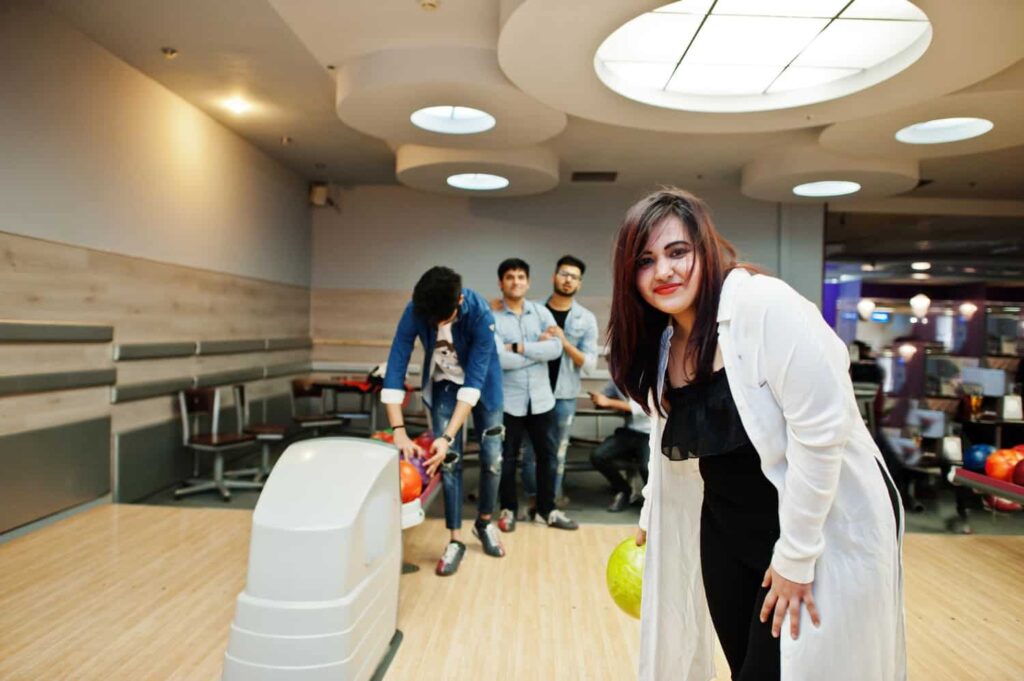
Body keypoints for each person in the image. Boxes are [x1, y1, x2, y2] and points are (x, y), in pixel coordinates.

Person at [607, 188, 905, 681]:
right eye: (646, 260)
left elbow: (821, 434)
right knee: (743, 666)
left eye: (677, 252)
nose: (664, 272)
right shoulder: (664, 342)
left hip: (810, 527)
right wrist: (650, 509)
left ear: (704, 249)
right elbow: (666, 440)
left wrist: (796, 556)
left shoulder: (763, 306)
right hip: (725, 529)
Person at [381, 266, 506, 577]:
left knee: (492, 460)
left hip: (484, 388)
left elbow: (474, 383)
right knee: (448, 461)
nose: (437, 325)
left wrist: (447, 435)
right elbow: (396, 364)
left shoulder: (480, 314)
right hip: (444, 385)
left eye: (444, 320)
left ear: (459, 300)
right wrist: (398, 431)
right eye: (431, 321)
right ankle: (454, 538)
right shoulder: (417, 309)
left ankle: (484, 522)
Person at [492, 258, 578, 531]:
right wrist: (534, 352)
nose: (515, 281)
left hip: (542, 400)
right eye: (509, 277)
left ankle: (546, 510)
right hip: (509, 401)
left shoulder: (541, 313)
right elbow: (497, 358)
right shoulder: (492, 317)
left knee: (547, 457)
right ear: (501, 283)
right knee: (505, 459)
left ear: (527, 282)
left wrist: (516, 347)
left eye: (520, 277)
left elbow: (554, 349)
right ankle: (507, 509)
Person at [520, 255, 599, 509]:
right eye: (564, 274)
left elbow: (589, 363)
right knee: (530, 452)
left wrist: (565, 343)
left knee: (558, 452)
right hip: (532, 393)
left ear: (579, 283)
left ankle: (550, 502)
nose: (568, 280)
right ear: (554, 276)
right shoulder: (531, 310)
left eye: (574, 277)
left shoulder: (585, 319)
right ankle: (533, 498)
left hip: (564, 396)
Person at [587, 380, 651, 512]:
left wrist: (609, 402)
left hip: (650, 433)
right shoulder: (618, 378)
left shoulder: (647, 375)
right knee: (598, 456)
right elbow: (602, 397)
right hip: (629, 431)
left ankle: (653, 502)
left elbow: (642, 407)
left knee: (646, 467)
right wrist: (599, 399)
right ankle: (625, 491)